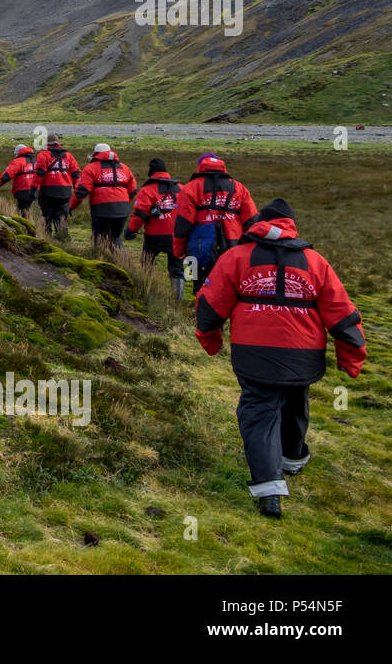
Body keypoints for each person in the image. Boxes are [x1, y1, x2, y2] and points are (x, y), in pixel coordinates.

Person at [194, 198, 365, 518]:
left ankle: (269, 487)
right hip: (304, 355)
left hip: (253, 353)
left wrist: (211, 340)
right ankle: (292, 459)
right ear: (292, 226)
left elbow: (210, 306)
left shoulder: (236, 258)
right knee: (296, 398)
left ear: (258, 223)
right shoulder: (316, 263)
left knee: (259, 411)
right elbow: (342, 314)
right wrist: (351, 356)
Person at [172, 153, 258, 285]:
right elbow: (253, 223)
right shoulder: (239, 188)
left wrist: (179, 251)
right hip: (233, 247)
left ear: (200, 167)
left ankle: (199, 300)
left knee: (200, 285)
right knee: (230, 285)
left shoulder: (191, 188)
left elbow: (182, 224)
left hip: (199, 248)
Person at [125, 159, 184, 296]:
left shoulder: (147, 190)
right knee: (177, 267)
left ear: (151, 172)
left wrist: (131, 231)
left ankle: (149, 290)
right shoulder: (181, 188)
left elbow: (140, 214)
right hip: (177, 235)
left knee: (147, 261)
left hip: (154, 236)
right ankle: (178, 300)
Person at [70, 144, 137, 248]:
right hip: (123, 210)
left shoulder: (91, 168)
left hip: (101, 210)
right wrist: (123, 204)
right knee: (115, 239)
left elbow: (81, 192)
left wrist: (71, 207)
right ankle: (122, 262)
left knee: (99, 239)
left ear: (95, 154)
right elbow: (133, 191)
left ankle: (99, 261)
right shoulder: (124, 168)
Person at [34, 133, 80, 238]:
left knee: (46, 217)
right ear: (58, 143)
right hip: (65, 192)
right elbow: (76, 174)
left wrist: (33, 190)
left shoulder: (43, 155)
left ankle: (47, 239)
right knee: (61, 218)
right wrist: (77, 192)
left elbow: (39, 174)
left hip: (47, 192)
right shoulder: (69, 156)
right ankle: (63, 239)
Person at [0, 144, 38, 215]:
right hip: (34, 191)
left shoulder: (17, 161)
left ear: (18, 152)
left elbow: (6, 176)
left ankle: (23, 225)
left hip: (22, 191)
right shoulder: (35, 161)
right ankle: (28, 223)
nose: (15, 155)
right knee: (26, 209)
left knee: (21, 212)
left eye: (16, 154)